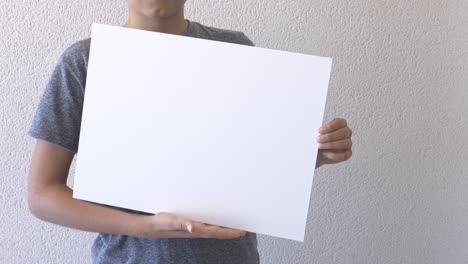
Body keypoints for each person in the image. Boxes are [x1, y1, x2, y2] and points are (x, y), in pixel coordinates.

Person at [27, 0, 353, 263]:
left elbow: (250, 166)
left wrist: (313, 156)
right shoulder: (85, 61)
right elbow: (43, 195)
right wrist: (144, 227)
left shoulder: (235, 51)